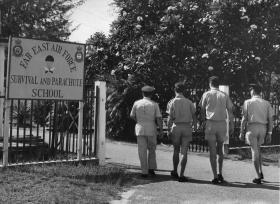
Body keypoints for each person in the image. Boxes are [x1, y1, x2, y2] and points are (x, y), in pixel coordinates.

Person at [199, 76, 234, 184]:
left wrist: (202, 121)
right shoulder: (224, 95)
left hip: (210, 124)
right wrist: (231, 124)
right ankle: (220, 173)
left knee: (212, 151)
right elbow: (230, 111)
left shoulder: (206, 94)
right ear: (218, 84)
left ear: (210, 84)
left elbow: (201, 109)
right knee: (220, 150)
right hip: (222, 124)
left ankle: (214, 176)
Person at [239, 84, 273, 184]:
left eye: (251, 90)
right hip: (263, 128)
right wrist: (270, 133)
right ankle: (261, 172)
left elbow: (244, 119)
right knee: (258, 149)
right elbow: (270, 119)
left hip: (252, 127)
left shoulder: (248, 102)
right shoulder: (266, 103)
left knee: (254, 151)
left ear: (253, 91)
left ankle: (257, 176)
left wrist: (241, 132)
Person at [166, 82, 197, 182]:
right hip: (187, 127)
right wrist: (194, 126)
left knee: (176, 150)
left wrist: (168, 128)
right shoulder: (189, 102)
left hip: (176, 126)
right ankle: (182, 175)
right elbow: (194, 116)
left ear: (175, 90)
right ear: (184, 90)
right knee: (184, 152)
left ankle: (175, 171)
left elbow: (170, 117)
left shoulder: (172, 102)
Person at [130, 85, 163, 178]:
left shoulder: (136, 103)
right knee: (152, 149)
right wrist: (161, 130)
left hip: (140, 128)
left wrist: (138, 121)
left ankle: (144, 171)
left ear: (142, 93)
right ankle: (151, 169)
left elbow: (132, 115)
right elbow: (159, 118)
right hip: (151, 128)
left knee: (142, 150)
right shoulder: (154, 104)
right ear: (151, 94)